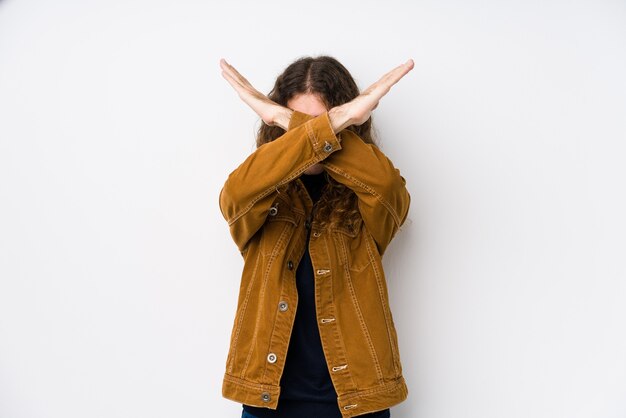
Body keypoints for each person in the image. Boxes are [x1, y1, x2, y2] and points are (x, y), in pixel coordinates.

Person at [218, 55, 414, 418]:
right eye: (295, 123)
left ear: (352, 126)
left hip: (357, 402)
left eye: (327, 121)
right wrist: (322, 125)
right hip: (268, 402)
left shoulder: (364, 196)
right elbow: (234, 195)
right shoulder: (264, 194)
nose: (311, 134)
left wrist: (293, 121)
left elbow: (389, 190)